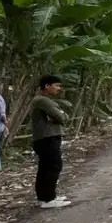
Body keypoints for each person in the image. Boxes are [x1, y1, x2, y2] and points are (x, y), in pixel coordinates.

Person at [31, 75, 71, 209]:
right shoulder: (43, 101)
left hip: (44, 139)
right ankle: (48, 198)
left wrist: (59, 116)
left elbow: (62, 116)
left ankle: (44, 197)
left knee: (45, 168)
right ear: (47, 86)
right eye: (57, 85)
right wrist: (60, 115)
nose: (59, 89)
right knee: (53, 166)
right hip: (47, 138)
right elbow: (62, 117)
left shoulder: (42, 100)